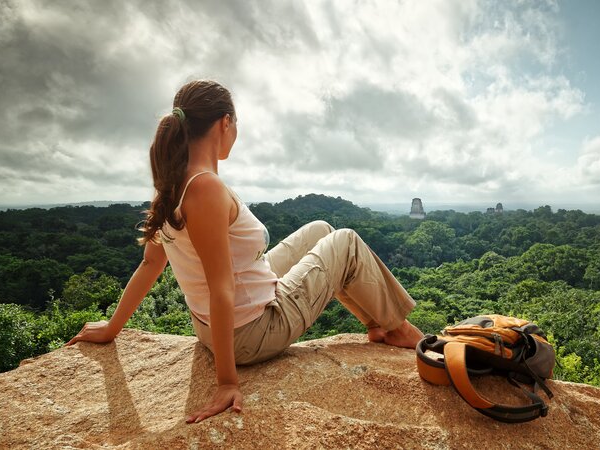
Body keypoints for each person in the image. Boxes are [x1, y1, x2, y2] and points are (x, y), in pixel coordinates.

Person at [65, 80, 424, 424]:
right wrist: (227, 382)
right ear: (225, 123)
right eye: (236, 125)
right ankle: (399, 329)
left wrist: (113, 327)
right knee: (345, 240)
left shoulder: (173, 184)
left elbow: (150, 264)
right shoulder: (204, 188)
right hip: (252, 333)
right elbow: (221, 288)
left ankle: (378, 324)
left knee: (321, 230)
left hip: (223, 322)